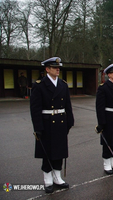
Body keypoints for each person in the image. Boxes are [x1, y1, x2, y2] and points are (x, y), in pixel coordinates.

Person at [30, 57, 74, 193]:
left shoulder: (63, 84)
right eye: (54, 67)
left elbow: (68, 105)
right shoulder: (39, 85)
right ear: (47, 69)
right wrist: (38, 128)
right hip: (47, 122)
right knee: (47, 152)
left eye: (58, 67)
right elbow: (35, 108)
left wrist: (70, 121)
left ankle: (58, 177)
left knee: (59, 151)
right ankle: (48, 179)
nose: (57, 69)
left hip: (61, 121)